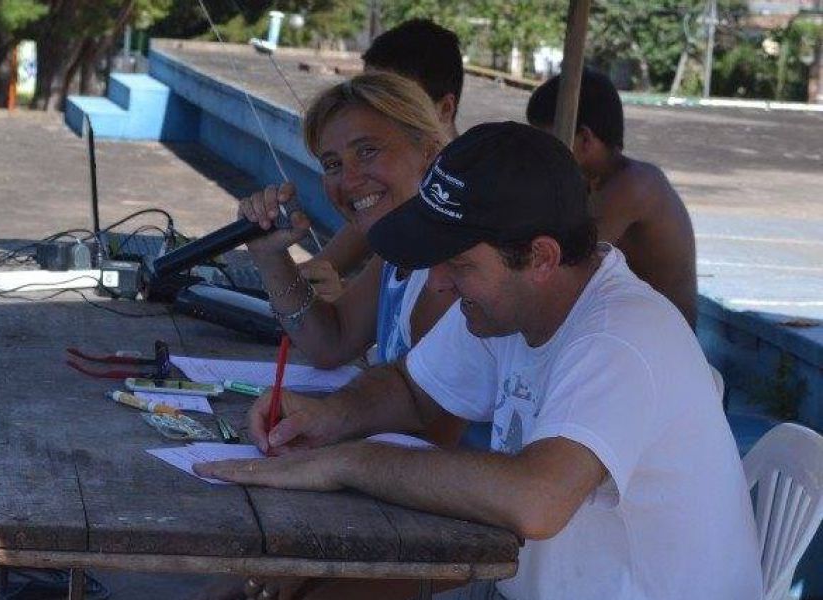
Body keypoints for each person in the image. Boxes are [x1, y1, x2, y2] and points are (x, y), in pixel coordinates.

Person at [196, 122, 763, 600]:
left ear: (540, 256)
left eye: (459, 265)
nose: (438, 283)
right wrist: (324, 417)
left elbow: (536, 499)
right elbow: (414, 389)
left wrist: (354, 461)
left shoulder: (620, 336)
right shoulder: (510, 302)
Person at [238, 71, 455, 371]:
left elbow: (424, 409)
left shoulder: (450, 265)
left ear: (429, 151)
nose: (349, 180)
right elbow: (332, 342)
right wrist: (269, 255)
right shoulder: (400, 251)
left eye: (367, 151)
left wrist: (324, 415)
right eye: (333, 164)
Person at [301, 19, 464, 300]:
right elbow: (318, 273)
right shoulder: (393, 212)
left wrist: (341, 301)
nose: (368, 112)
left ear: (444, 110)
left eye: (392, 99)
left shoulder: (461, 212)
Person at [526, 68, 698, 328]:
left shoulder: (635, 185)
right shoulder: (593, 183)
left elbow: (566, 263)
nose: (538, 155)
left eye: (547, 141)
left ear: (585, 139)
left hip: (659, 340)